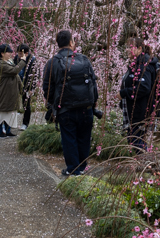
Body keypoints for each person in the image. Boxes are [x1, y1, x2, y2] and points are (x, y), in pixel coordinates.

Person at [43, 30, 98, 177]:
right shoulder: (84, 59)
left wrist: (51, 105)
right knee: (84, 138)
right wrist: (94, 104)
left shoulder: (52, 62)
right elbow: (93, 83)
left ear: (58, 44)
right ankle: (82, 167)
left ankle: (73, 169)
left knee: (69, 139)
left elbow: (47, 88)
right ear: (71, 42)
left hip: (65, 109)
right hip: (86, 108)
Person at [119, 37, 160, 152]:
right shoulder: (137, 64)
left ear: (140, 48)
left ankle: (145, 165)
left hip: (141, 110)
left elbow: (144, 87)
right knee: (135, 139)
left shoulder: (143, 65)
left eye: (130, 47)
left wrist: (123, 93)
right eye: (127, 47)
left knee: (137, 140)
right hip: (136, 109)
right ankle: (145, 165)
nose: (127, 50)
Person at [0, 44, 25, 138]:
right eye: (8, 52)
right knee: (2, 112)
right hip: (3, 92)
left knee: (10, 112)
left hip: (11, 93)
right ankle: (0, 132)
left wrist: (21, 87)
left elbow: (16, 76)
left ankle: (8, 131)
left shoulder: (9, 61)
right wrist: (23, 61)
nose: (10, 54)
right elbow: (15, 71)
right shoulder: (1, 65)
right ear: (2, 53)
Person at [15, 43, 38, 130]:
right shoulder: (16, 58)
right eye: (18, 53)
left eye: (21, 53)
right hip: (16, 83)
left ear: (27, 53)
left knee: (26, 104)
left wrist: (32, 88)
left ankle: (25, 123)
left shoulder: (32, 60)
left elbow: (35, 75)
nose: (19, 55)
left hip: (27, 85)